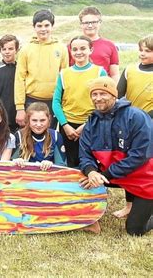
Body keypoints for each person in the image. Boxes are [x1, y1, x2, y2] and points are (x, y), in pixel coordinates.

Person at [79, 76, 153, 236]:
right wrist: (91, 171)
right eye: (94, 94)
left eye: (103, 94)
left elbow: (139, 156)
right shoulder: (91, 122)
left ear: (114, 95)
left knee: (134, 230)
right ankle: (87, 219)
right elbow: (84, 155)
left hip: (144, 178)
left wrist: (104, 175)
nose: (98, 98)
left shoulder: (136, 117)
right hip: (114, 175)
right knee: (80, 178)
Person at [52, 35, 107, 168]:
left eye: (83, 48)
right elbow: (56, 102)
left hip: (92, 123)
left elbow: (104, 103)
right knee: (71, 162)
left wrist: (87, 124)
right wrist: (65, 125)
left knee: (91, 161)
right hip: (68, 126)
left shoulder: (99, 72)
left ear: (91, 50)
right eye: (74, 49)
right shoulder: (64, 74)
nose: (78, 52)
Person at [114, 34, 153, 218]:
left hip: (150, 125)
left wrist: (144, 120)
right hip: (130, 125)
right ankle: (129, 205)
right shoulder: (129, 69)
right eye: (141, 50)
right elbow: (118, 95)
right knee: (130, 164)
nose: (142, 54)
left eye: (148, 51)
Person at [14, 9, 69, 129]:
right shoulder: (26, 49)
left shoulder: (61, 48)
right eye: (39, 26)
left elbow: (65, 78)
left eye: (46, 25)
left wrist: (64, 103)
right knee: (29, 135)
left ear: (52, 26)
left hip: (54, 101)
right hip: (31, 100)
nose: (43, 29)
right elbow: (19, 79)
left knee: (50, 135)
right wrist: (20, 108)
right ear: (34, 27)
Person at [69, 6, 119, 82]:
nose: (90, 25)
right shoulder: (72, 46)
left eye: (94, 22)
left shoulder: (110, 46)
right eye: (86, 23)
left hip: (102, 90)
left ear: (100, 23)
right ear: (81, 24)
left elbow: (114, 74)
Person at [12, 102, 66, 170]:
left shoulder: (55, 136)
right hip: (25, 176)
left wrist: (51, 164)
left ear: (49, 119)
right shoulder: (20, 135)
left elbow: (62, 165)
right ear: (28, 120)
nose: (38, 124)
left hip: (47, 176)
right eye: (34, 120)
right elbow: (10, 163)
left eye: (42, 120)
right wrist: (17, 161)